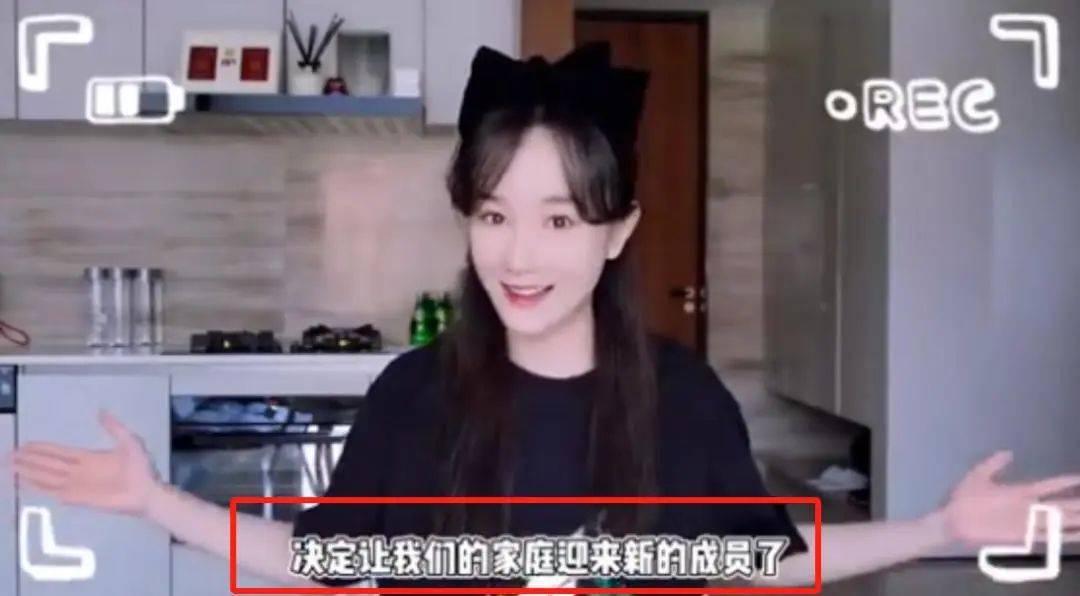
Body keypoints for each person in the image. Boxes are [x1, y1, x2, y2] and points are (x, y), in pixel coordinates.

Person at [9, 44, 1080, 591]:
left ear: (617, 232)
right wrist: (156, 500)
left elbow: (754, 561)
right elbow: (323, 562)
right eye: (494, 214)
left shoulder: (681, 395)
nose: (519, 255)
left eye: (561, 218)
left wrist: (939, 530)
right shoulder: (414, 393)